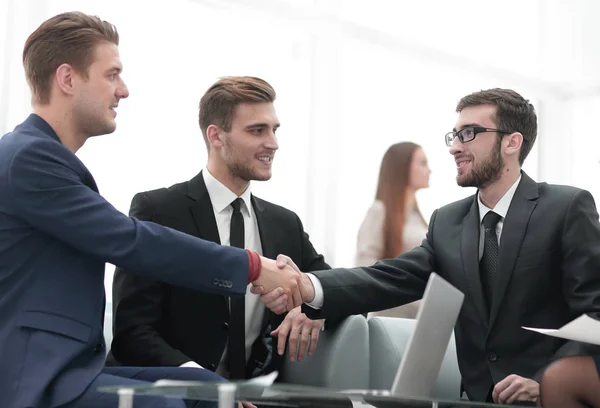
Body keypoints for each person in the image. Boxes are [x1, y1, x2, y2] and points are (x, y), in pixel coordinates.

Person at [0, 12, 302, 408]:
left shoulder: (40, 157)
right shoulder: (28, 158)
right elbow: (131, 240)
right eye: (112, 75)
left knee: (213, 391)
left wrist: (313, 302)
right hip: (34, 375)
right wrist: (252, 267)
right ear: (68, 79)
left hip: (73, 366)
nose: (123, 90)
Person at [262, 88, 600, 404]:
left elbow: (594, 311)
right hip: (474, 402)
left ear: (512, 142)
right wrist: (309, 285)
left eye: (469, 133)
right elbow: (389, 278)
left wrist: (549, 383)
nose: (454, 147)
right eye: (454, 135)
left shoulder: (566, 208)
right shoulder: (447, 222)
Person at [108, 76, 329, 380]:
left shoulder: (284, 224)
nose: (273, 143)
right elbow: (131, 332)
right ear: (216, 136)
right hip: (173, 396)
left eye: (274, 130)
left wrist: (309, 310)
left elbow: (333, 285)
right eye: (257, 130)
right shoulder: (158, 210)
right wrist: (208, 390)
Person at [355, 142, 430, 319]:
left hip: (417, 318)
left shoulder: (417, 218)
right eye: (423, 163)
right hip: (391, 322)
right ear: (402, 166)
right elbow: (364, 269)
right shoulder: (379, 211)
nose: (429, 170)